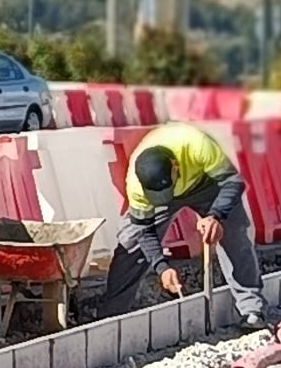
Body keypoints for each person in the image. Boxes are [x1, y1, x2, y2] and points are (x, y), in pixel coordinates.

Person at [90, 119, 266, 328]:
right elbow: (144, 231)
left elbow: (232, 181)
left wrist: (215, 216)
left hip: (206, 184)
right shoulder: (137, 186)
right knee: (130, 244)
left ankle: (252, 310)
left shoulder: (195, 143)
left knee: (234, 231)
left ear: (175, 166)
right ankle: (111, 319)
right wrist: (162, 267)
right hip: (160, 196)